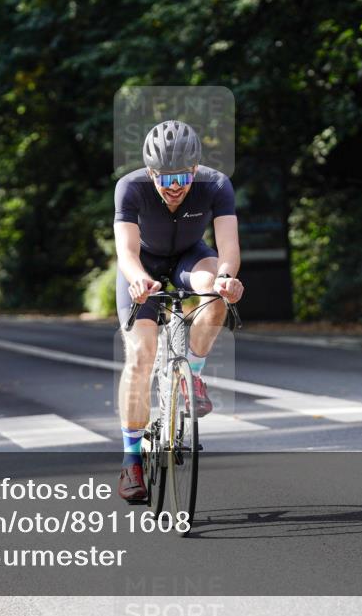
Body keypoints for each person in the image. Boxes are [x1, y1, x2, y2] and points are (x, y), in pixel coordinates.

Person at [113, 120, 244, 502]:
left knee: (214, 293)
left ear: (194, 170)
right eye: (165, 177)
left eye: (182, 177)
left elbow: (228, 248)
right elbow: (126, 252)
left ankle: (195, 375)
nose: (174, 186)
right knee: (140, 356)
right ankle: (131, 459)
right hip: (144, 266)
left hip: (191, 257)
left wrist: (225, 278)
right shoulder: (130, 188)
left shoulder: (216, 185)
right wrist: (138, 279)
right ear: (151, 172)